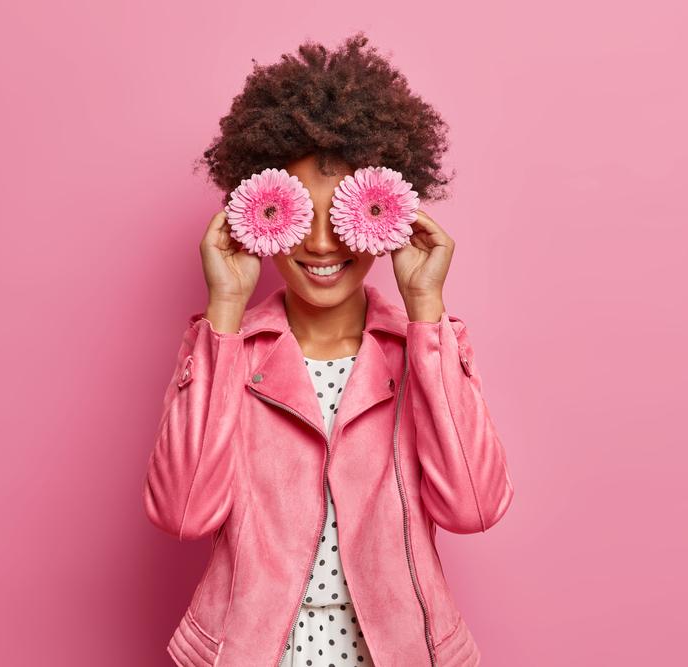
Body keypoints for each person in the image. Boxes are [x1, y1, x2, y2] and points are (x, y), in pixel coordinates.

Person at [143, 32, 514, 666]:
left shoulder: (416, 349)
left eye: (346, 215)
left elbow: (472, 505)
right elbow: (183, 513)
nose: (321, 244)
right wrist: (224, 314)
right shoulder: (230, 349)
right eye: (299, 214)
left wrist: (427, 310)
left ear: (390, 215)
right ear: (255, 212)